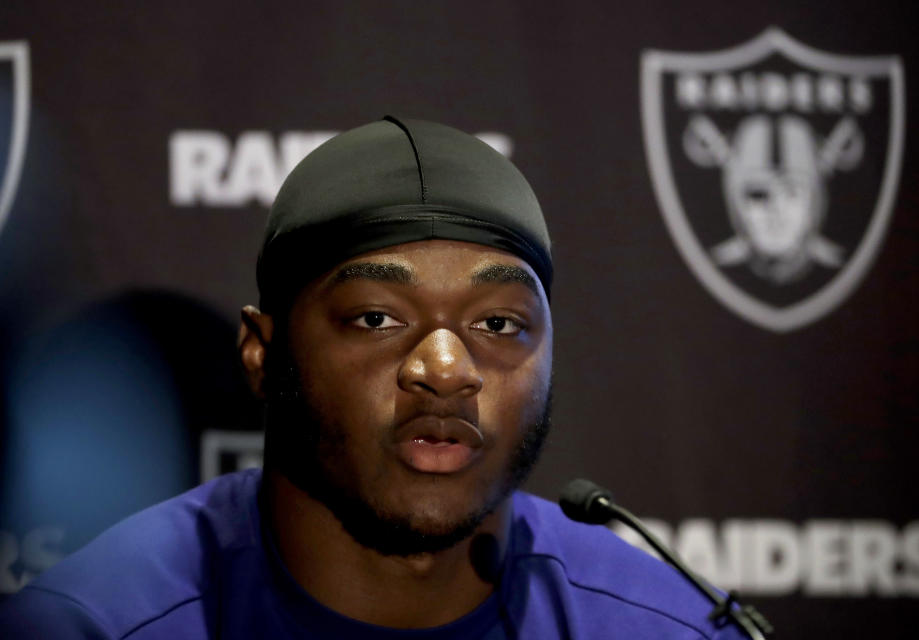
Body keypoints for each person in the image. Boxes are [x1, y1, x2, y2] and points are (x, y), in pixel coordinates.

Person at [0, 117, 748, 638]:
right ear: (262, 351)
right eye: (376, 318)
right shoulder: (96, 624)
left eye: (498, 325)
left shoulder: (662, 627)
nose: (447, 370)